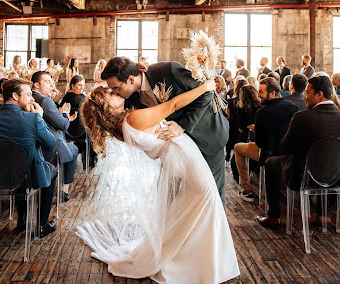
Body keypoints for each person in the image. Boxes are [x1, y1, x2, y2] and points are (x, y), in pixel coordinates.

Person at [78, 79, 239, 283]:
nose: (115, 92)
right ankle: (199, 265)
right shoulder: (133, 119)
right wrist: (205, 87)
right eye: (110, 94)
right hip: (185, 157)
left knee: (193, 206)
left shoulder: (123, 127)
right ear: (105, 107)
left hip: (180, 157)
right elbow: (173, 105)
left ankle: (202, 262)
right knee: (206, 199)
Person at [102, 56, 229, 204]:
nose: (116, 92)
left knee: (210, 195)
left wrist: (182, 125)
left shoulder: (167, 70)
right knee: (170, 199)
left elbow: (207, 91)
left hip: (206, 137)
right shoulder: (130, 97)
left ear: (131, 80)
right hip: (179, 150)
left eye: (116, 88)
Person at [257, 76, 340, 228]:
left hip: (303, 176)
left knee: (270, 162)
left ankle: (273, 216)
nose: (305, 96)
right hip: (334, 175)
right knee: (324, 162)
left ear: (320, 94)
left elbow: (285, 147)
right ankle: (323, 215)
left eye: (308, 92)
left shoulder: (302, 117)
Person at [0, 79, 58, 237]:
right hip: (28, 177)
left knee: (16, 164)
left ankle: (22, 218)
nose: (32, 99)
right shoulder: (33, 119)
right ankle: (42, 223)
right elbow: (51, 144)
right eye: (29, 95)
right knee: (51, 169)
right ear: (15, 96)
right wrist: (40, 117)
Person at [234, 78, 297, 202]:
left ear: (272, 93)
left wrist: (256, 130)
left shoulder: (262, 113)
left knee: (237, 147)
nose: (258, 95)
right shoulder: (292, 107)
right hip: (289, 154)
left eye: (261, 92)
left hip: (268, 154)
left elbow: (260, 143)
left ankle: (247, 189)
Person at [31, 71, 79, 201]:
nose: (51, 85)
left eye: (52, 82)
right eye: (47, 82)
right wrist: (65, 114)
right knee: (74, 150)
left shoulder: (32, 98)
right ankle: (64, 188)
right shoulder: (45, 100)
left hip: (34, 147)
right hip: (49, 148)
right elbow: (63, 125)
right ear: (36, 85)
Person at [59, 75, 93, 168]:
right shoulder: (78, 97)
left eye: (83, 85)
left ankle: (77, 154)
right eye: (79, 85)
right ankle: (88, 162)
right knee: (91, 134)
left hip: (68, 129)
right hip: (76, 130)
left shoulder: (67, 96)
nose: (82, 87)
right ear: (72, 86)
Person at [226, 77, 247, 167]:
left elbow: (227, 116)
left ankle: (227, 157)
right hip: (243, 127)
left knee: (230, 141)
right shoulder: (248, 102)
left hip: (233, 126)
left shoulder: (231, 101)